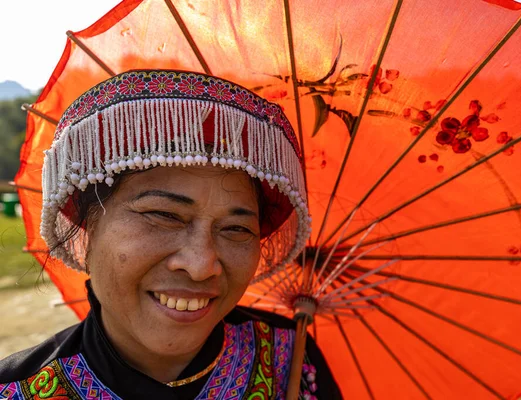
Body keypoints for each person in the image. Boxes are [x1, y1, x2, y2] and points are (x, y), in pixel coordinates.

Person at [0, 70, 342, 399]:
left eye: (236, 228)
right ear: (87, 226)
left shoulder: (291, 359)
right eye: (164, 216)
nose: (200, 265)